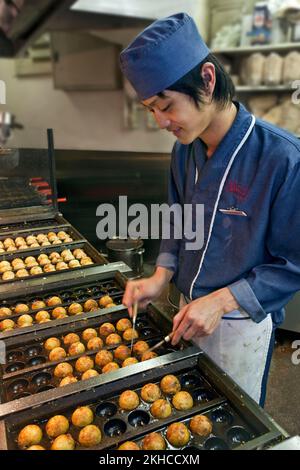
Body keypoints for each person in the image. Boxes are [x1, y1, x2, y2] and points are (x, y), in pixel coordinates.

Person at [120, 12, 300, 406]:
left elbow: (293, 264)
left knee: (234, 419)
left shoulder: (282, 158)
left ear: (207, 78)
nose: (160, 121)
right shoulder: (185, 151)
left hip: (240, 323)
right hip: (188, 312)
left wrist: (220, 301)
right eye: (151, 108)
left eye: (165, 105)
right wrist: (159, 276)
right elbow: (178, 218)